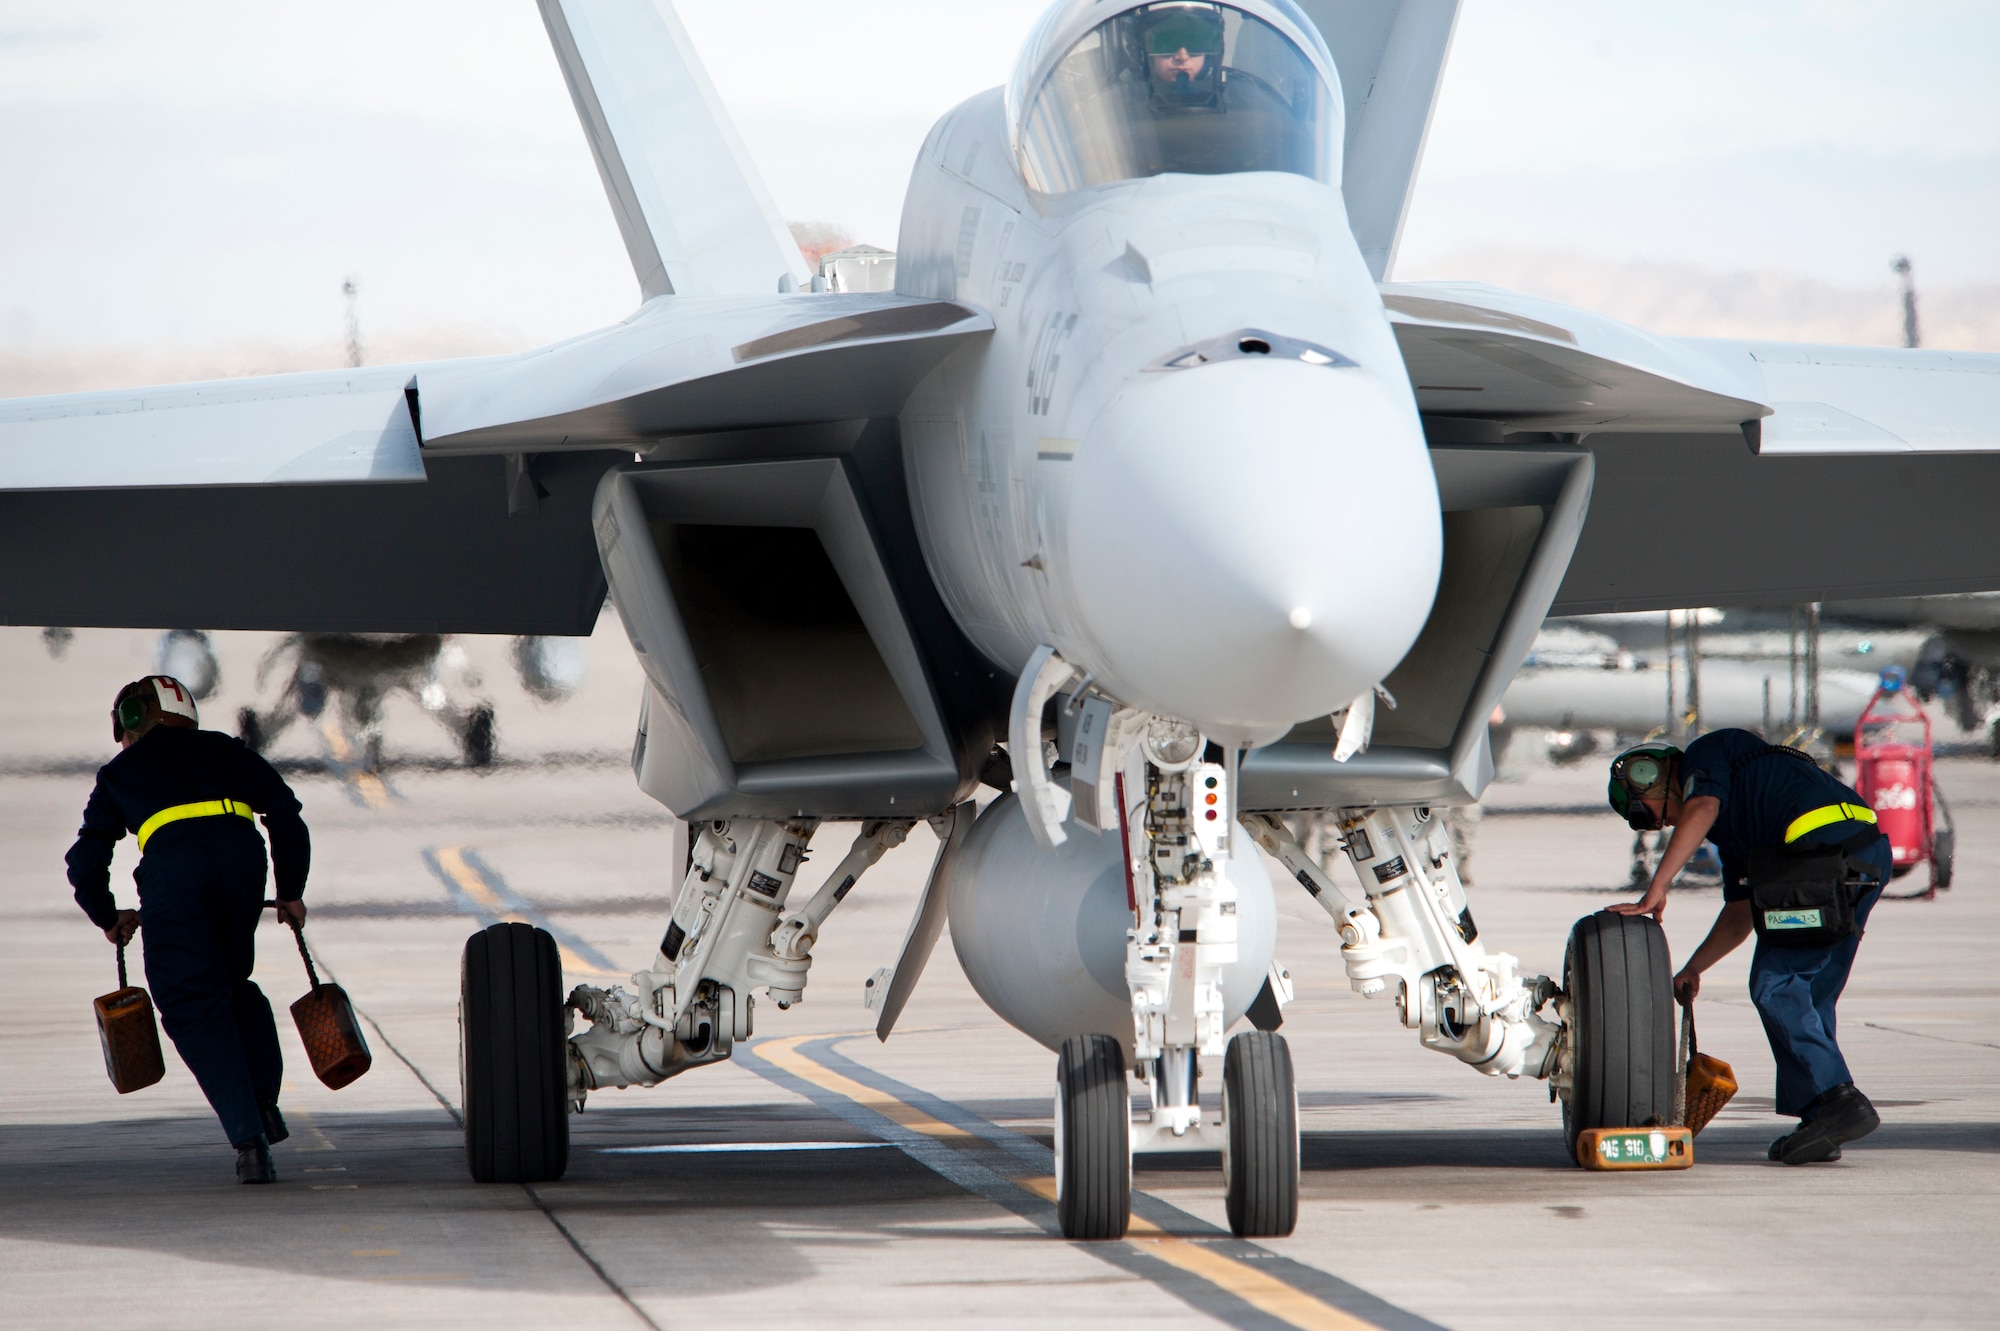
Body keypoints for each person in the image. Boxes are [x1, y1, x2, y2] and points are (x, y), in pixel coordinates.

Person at [66, 675, 312, 1184]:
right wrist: (290, 890)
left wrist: (108, 916)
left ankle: (249, 1140)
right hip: (243, 862)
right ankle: (263, 1099)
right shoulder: (228, 751)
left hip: (176, 871)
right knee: (233, 983)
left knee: (190, 1000)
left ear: (133, 720)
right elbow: (287, 815)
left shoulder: (121, 772)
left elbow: (86, 861)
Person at [1606, 729, 1890, 1165]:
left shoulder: (1708, 754)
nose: (1662, 825)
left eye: (1648, 814)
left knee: (1775, 985)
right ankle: (1821, 1117)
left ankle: (1838, 1100)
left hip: (1821, 856)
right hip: (1863, 857)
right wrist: (1694, 969)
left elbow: (1701, 806)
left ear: (1653, 776)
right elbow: (1740, 913)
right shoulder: (1739, 829)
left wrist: (1656, 889)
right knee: (1809, 994)